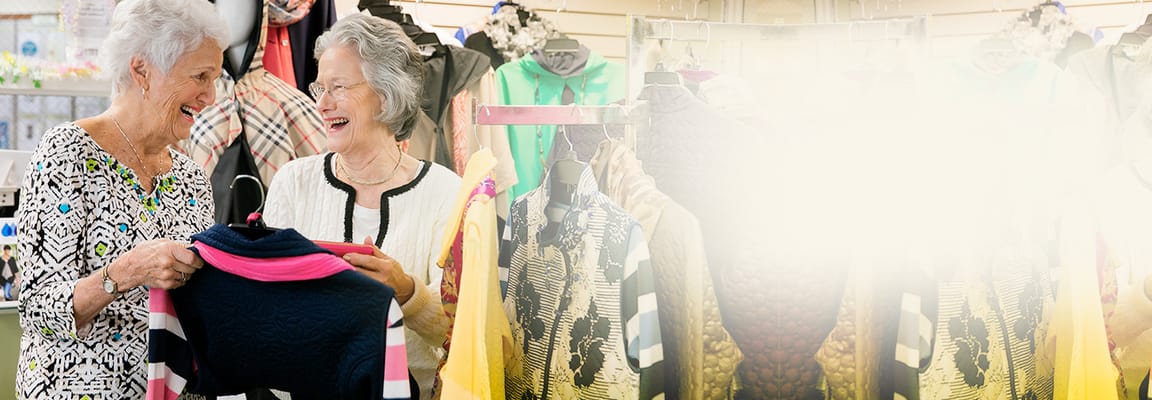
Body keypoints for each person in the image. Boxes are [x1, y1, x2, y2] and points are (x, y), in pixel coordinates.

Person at [14, 0, 225, 397]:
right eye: (200, 76)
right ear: (142, 70)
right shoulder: (68, 153)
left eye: (215, 78)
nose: (210, 96)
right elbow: (38, 309)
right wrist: (127, 271)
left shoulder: (192, 178)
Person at [264, 13, 460, 400]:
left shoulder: (445, 192)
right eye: (319, 87)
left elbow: (461, 330)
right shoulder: (293, 181)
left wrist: (407, 292)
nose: (321, 104)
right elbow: (268, 314)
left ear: (387, 93)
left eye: (338, 87)